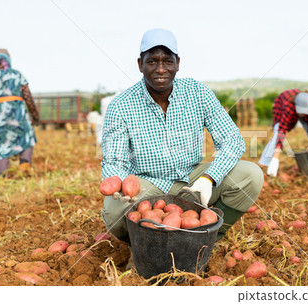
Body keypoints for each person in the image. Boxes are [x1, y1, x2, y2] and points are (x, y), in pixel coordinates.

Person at [101, 29, 264, 260]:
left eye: (167, 61)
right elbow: (114, 161)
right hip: (150, 186)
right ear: (140, 64)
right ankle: (143, 247)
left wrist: (209, 179)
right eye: (152, 61)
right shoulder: (121, 105)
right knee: (114, 209)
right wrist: (120, 187)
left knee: (251, 175)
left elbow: (233, 140)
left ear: (178, 63)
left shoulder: (197, 93)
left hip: (193, 180)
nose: (160, 69)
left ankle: (206, 241)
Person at [0, 49, 39, 176]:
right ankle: (24, 164)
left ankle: (2, 175)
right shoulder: (18, 75)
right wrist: (35, 114)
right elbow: (28, 97)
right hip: (18, 114)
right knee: (27, 136)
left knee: (0, 144)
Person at [259, 89, 308, 177]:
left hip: (299, 108)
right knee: (277, 133)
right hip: (281, 105)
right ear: (296, 106)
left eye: (304, 112)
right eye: (300, 111)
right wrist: (276, 158)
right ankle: (264, 163)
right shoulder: (288, 107)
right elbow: (282, 132)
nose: (302, 114)